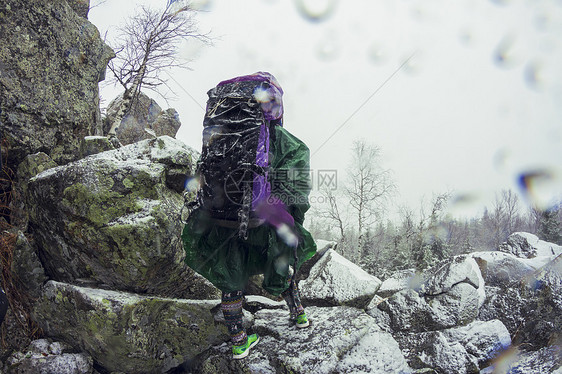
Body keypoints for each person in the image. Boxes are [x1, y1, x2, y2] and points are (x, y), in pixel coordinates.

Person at [182, 72, 317, 360]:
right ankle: (299, 314)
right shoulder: (284, 140)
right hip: (263, 217)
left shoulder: (218, 138)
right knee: (282, 257)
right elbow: (297, 187)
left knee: (232, 275)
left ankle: (239, 340)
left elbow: (201, 177)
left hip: (222, 218)